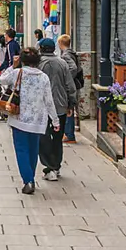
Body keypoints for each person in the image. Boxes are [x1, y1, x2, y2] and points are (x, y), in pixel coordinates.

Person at [0, 48, 59, 195]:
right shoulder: (44, 77)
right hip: (38, 120)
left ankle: (28, 180)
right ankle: (30, 176)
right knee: (33, 150)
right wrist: (55, 120)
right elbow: (49, 100)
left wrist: (13, 66)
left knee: (21, 150)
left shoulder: (16, 73)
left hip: (19, 118)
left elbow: (1, 79)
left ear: (22, 60)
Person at [37, 38, 77, 180]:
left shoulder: (38, 64)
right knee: (58, 138)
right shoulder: (62, 63)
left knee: (44, 137)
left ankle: (50, 167)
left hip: (42, 107)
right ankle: (56, 166)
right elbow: (70, 86)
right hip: (60, 106)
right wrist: (71, 104)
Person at [58, 34, 84, 144]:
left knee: (68, 108)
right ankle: (69, 133)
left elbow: (73, 68)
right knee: (70, 108)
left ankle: (69, 134)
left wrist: (67, 78)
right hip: (75, 84)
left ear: (60, 44)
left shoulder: (65, 55)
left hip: (71, 85)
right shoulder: (72, 53)